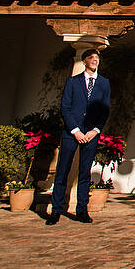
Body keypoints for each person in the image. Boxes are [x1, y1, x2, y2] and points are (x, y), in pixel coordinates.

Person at [47, 47, 111, 225]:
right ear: (84, 61)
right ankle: (56, 210)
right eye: (91, 57)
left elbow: (105, 110)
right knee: (62, 171)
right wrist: (75, 131)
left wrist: (95, 130)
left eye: (96, 58)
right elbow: (65, 108)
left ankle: (82, 210)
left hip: (91, 134)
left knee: (85, 173)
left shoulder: (104, 83)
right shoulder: (73, 82)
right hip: (71, 133)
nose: (94, 60)